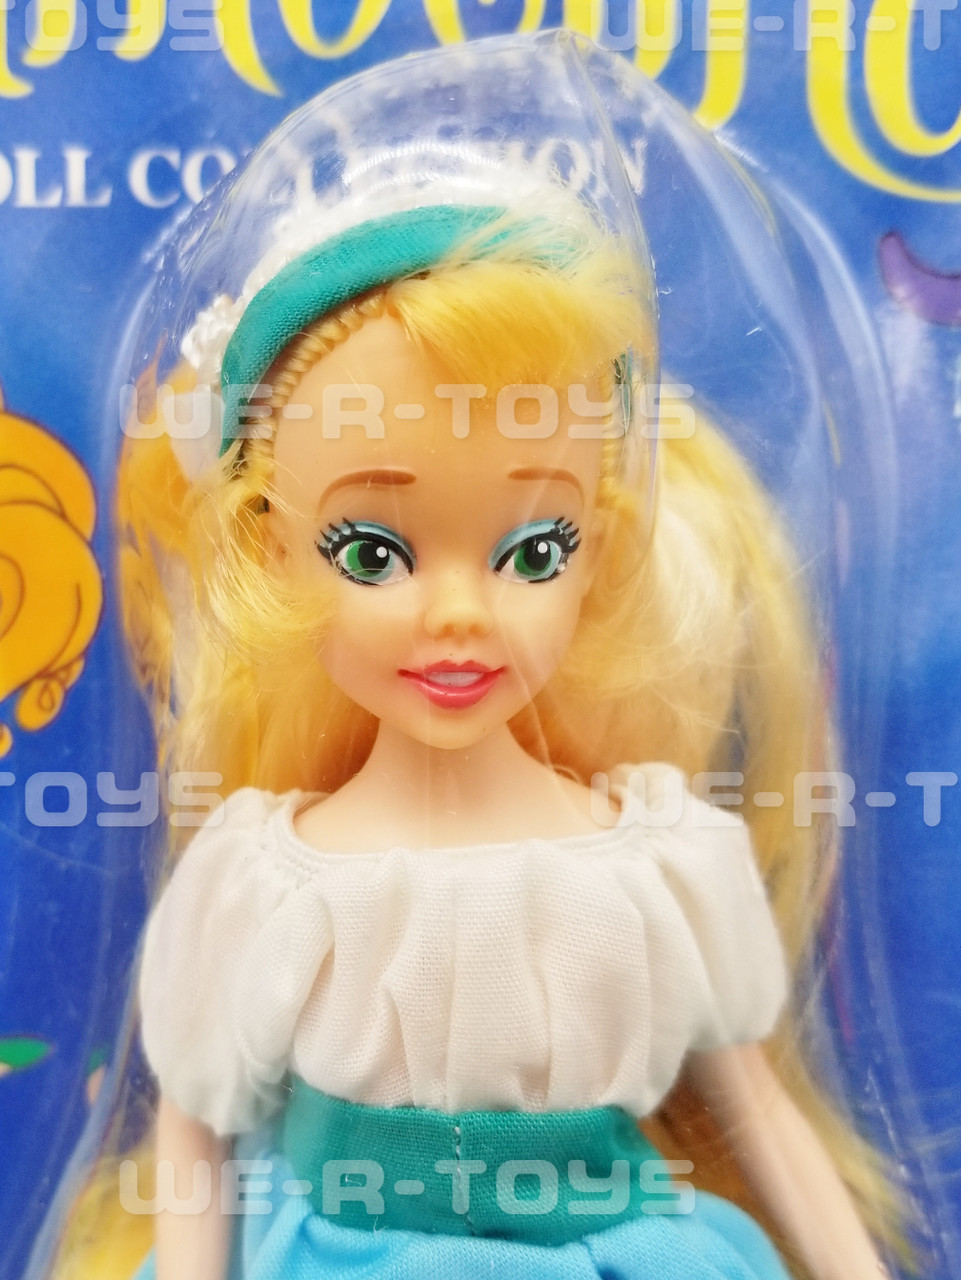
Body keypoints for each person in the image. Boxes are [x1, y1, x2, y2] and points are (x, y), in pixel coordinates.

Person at [109, 196, 896, 1280]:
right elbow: (195, 1136)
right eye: (372, 551)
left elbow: (756, 1109)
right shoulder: (263, 882)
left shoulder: (654, 864)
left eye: (532, 551)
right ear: (269, 547)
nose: (458, 615)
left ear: (598, 549)